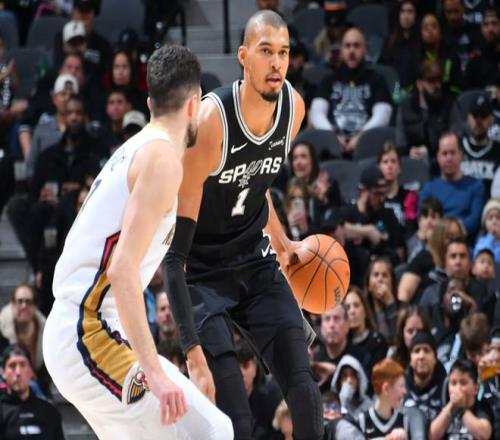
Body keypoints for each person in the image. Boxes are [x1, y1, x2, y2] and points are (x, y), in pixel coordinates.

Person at [42, 44, 233, 439]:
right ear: (194, 104)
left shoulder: (139, 149)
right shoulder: (162, 161)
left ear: (150, 103)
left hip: (92, 329)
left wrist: (187, 359)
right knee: (199, 434)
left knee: (216, 428)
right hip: (88, 330)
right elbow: (122, 270)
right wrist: (154, 373)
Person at [162, 11, 323, 440]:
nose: (276, 63)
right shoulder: (211, 123)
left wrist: (283, 244)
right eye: (266, 51)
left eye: (283, 53)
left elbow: (255, 185)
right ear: (243, 56)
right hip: (201, 271)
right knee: (236, 419)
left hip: (253, 258)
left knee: (305, 390)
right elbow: (174, 256)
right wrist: (192, 352)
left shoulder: (293, 109)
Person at [310, 27, 392, 156]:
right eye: (347, 46)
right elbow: (317, 114)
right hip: (333, 148)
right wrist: (333, 137)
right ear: (341, 51)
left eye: (356, 46)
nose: (352, 50)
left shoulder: (377, 80)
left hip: (368, 148)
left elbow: (382, 115)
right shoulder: (328, 81)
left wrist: (362, 137)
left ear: (365, 50)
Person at [419, 132, 485, 239]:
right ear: (438, 157)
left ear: (461, 154)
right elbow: (423, 218)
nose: (449, 158)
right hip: (435, 243)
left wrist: (448, 231)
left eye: (453, 152)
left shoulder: (476, 186)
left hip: (464, 243)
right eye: (444, 153)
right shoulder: (428, 189)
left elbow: (475, 219)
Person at [0, 344, 65, 439]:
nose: (18, 372)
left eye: (22, 364)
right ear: (3, 373)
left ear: (31, 371)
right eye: (12, 365)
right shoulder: (2, 412)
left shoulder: (49, 412)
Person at [430, 359, 493, 439]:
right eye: (453, 383)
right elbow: (432, 436)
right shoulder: (444, 408)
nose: (458, 388)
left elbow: (483, 435)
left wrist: (462, 409)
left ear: (476, 388)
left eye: (463, 383)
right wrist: (450, 406)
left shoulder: (482, 407)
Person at [460, 94, 500, 194]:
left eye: (483, 115)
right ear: (468, 118)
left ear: (491, 120)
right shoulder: (457, 148)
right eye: (475, 115)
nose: (478, 121)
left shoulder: (498, 151)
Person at [403, 331, 447, 422]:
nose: (421, 356)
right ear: (410, 359)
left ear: (435, 358)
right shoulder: (401, 387)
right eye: (417, 351)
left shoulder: (447, 387)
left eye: (427, 350)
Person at [345, 286, 387, 379]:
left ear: (365, 311)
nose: (352, 311)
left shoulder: (377, 342)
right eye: (347, 307)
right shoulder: (341, 345)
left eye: (356, 305)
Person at [330, 353, 372, 418]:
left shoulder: (369, 407)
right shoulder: (331, 404)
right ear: (338, 381)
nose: (349, 381)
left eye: (353, 375)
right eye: (344, 376)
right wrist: (343, 403)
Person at [474, 199, 500, 263]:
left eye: (498, 218)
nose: (494, 221)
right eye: (490, 218)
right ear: (484, 224)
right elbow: (481, 258)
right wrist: (491, 238)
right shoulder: (481, 242)